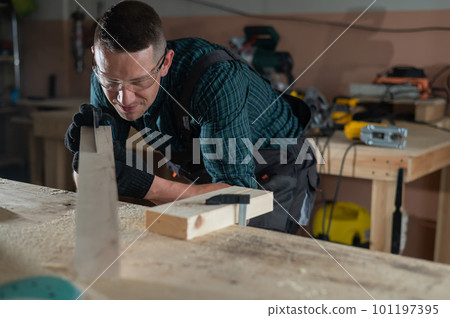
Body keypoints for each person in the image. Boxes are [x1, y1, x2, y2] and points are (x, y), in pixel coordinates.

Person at [65, 0, 317, 233]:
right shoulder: (106, 75)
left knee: (248, 261)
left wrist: (147, 186)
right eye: (111, 82)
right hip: (212, 169)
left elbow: (241, 200)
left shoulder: (216, 80)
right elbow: (91, 178)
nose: (124, 99)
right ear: (97, 59)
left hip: (273, 164)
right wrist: (89, 160)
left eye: (139, 81)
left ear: (165, 63)